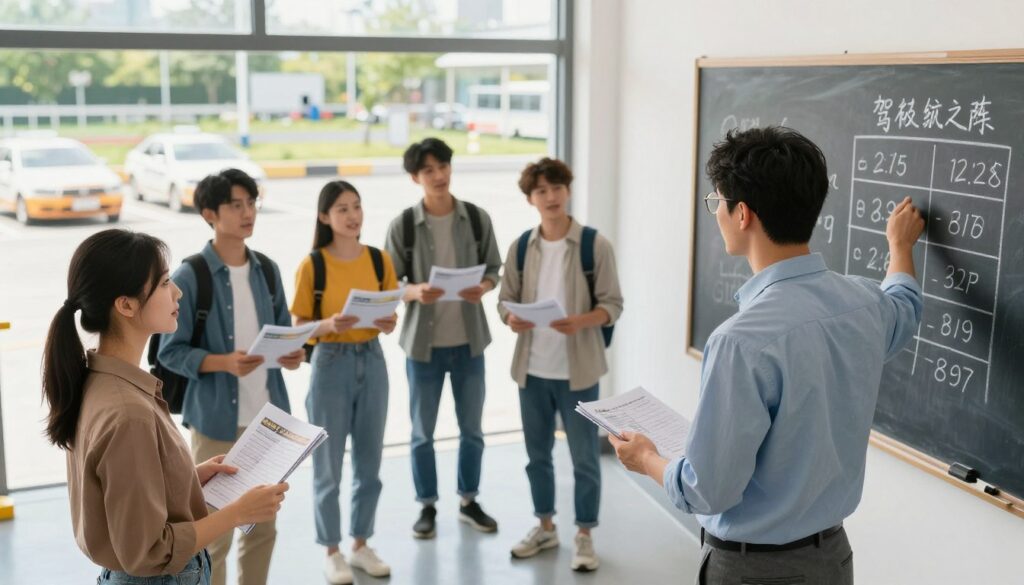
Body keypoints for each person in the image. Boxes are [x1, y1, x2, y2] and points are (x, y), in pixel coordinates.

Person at [610, 127, 924, 585]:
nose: (716, 213)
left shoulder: (740, 341)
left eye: (717, 201)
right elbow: (905, 305)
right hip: (833, 559)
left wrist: (646, 459)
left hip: (755, 570)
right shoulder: (864, 303)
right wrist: (900, 248)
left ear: (742, 214)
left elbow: (706, 490)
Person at [42, 229, 288, 585]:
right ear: (126, 305)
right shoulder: (129, 413)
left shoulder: (100, 382)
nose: (177, 292)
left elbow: (123, 495)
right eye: (163, 283)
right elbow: (150, 550)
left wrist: (188, 477)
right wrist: (238, 513)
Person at [158, 169, 304, 585]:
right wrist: (223, 362)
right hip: (216, 424)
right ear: (210, 214)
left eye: (252, 203)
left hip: (269, 422)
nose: (247, 213)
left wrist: (292, 356)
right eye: (236, 205)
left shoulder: (267, 270)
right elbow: (170, 351)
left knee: (264, 529)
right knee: (214, 534)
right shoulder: (190, 276)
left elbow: (283, 334)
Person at [497, 157, 623, 572]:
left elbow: (613, 304)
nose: (550, 197)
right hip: (532, 371)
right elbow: (504, 300)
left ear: (567, 190)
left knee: (585, 458)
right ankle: (545, 526)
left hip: (579, 372)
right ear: (530, 199)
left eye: (556, 188)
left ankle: (584, 534)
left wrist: (581, 321)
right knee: (537, 456)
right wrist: (510, 317)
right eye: (541, 191)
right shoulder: (521, 247)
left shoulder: (594, 245)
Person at [384, 137, 503, 539]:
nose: (438, 176)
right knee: (422, 432)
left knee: (472, 430)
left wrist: (484, 286)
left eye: (443, 167)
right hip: (423, 347)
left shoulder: (476, 217)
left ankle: (469, 501)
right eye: (428, 170)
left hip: (470, 343)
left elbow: (494, 268)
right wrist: (415, 291)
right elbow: (390, 283)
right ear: (415, 178)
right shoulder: (404, 225)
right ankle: (427, 505)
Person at [291, 180, 399, 583]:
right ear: (324, 217)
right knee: (328, 467)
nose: (353, 216)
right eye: (342, 209)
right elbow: (299, 327)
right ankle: (332, 551)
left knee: (370, 463)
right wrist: (328, 324)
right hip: (330, 363)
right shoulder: (313, 265)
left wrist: (388, 322)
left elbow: (390, 315)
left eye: (356, 206)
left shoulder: (379, 259)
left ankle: (361, 544)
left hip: (372, 359)